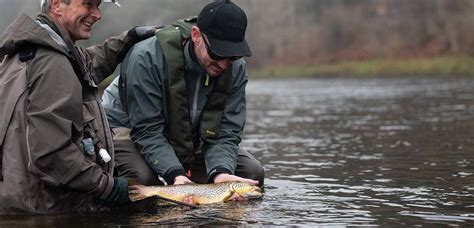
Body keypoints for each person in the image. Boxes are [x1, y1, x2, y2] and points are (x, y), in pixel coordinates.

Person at [0, 0, 157, 213]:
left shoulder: (30, 49)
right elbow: (52, 155)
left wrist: (127, 40)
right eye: (88, 4)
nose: (97, 14)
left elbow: (86, 65)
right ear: (57, 5)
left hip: (15, 199)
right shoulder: (52, 62)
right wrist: (108, 188)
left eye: (98, 5)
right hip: (41, 209)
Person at [102, 0, 265, 192]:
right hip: (128, 129)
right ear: (196, 35)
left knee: (251, 173)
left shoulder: (235, 68)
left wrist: (221, 173)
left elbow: (226, 131)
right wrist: (175, 175)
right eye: (218, 53)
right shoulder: (145, 57)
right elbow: (147, 131)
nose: (224, 64)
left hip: (188, 136)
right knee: (144, 180)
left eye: (233, 56)